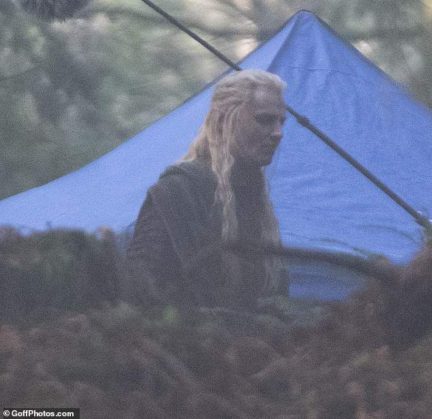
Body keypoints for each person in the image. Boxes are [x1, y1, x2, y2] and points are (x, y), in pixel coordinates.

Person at [126, 69, 288, 309]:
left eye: (281, 122)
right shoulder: (178, 190)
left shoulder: (258, 203)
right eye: (264, 120)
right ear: (224, 120)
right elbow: (141, 289)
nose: (278, 133)